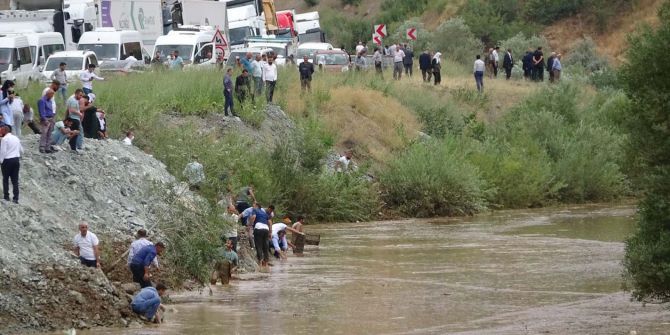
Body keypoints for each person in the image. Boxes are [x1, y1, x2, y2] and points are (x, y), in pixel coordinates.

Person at [0, 123, 22, 204]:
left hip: (7, 161)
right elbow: (21, 149)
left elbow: (3, 152)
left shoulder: (5, 139)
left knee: (5, 179)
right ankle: (16, 198)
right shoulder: (16, 138)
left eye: (2, 130)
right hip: (16, 160)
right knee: (15, 180)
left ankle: (6, 197)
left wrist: (1, 161)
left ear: (5, 131)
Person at [249, 202, 271, 268]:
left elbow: (253, 217)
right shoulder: (264, 213)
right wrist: (270, 232)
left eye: (253, 205)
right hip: (266, 229)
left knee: (259, 245)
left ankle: (260, 263)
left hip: (258, 228)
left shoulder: (255, 210)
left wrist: (250, 225)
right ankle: (266, 263)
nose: (252, 206)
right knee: (265, 246)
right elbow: (270, 222)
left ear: (257, 206)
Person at [38, 89, 56, 153]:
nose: (52, 96)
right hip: (46, 119)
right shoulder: (42, 100)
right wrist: (45, 119)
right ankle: (42, 147)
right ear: (48, 94)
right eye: (52, 94)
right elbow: (42, 111)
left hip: (51, 118)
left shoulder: (50, 101)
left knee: (49, 133)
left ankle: (47, 147)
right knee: (44, 133)